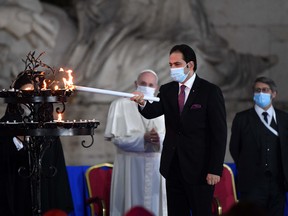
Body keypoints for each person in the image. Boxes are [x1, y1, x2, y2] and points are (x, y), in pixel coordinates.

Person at [131, 44, 227, 216]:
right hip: (173, 166)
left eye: (177, 64)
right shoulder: (168, 90)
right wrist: (142, 102)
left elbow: (219, 133)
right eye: (170, 65)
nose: (172, 68)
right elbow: (152, 111)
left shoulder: (210, 91)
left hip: (201, 169)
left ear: (190, 65)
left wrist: (215, 168)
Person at [0, 71, 74, 215]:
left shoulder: (49, 127)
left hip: (44, 193)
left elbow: (55, 167)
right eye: (26, 92)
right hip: (17, 194)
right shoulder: (5, 126)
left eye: (35, 92)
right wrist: (19, 141)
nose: (31, 98)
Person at [104, 70, 167, 216]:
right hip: (129, 165)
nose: (147, 87)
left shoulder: (164, 107)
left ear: (156, 88)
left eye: (151, 84)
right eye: (143, 84)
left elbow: (173, 138)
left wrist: (159, 138)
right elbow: (116, 138)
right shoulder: (120, 104)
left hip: (158, 165)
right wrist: (142, 138)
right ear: (135, 84)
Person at [229, 76, 288, 216]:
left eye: (265, 90)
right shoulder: (242, 118)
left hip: (278, 184)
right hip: (252, 185)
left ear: (273, 94)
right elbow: (234, 148)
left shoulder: (284, 119)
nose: (261, 93)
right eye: (257, 90)